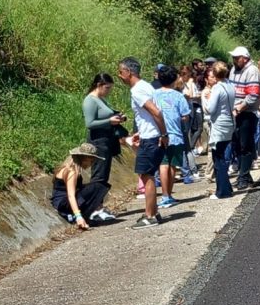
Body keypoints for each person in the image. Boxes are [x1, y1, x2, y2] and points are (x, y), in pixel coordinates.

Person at [117, 56, 169, 228]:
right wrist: (141, 132)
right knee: (148, 175)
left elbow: (156, 112)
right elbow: (149, 115)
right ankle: (153, 211)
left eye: (120, 72)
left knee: (146, 176)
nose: (119, 75)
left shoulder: (138, 90)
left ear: (129, 72)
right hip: (149, 135)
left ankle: (150, 216)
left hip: (152, 138)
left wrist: (163, 134)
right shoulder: (146, 85)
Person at [153, 65, 192, 210]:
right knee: (172, 165)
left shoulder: (154, 94)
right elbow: (185, 116)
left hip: (159, 135)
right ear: (174, 79)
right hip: (175, 135)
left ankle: (163, 196)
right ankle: (168, 195)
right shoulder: (178, 96)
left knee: (162, 164)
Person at [50, 143, 113, 229]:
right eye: (91, 160)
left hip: (64, 201)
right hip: (62, 203)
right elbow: (71, 195)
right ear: (83, 158)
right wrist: (78, 216)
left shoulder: (73, 169)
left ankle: (95, 211)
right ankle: (84, 215)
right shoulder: (72, 171)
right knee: (97, 186)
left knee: (95, 186)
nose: (91, 163)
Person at [82, 73, 127, 188]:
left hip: (107, 140)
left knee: (104, 174)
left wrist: (118, 117)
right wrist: (109, 121)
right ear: (99, 85)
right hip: (98, 141)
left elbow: (107, 114)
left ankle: (98, 203)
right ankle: (96, 204)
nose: (108, 91)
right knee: (99, 174)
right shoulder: (90, 100)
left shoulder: (101, 99)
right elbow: (89, 123)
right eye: (107, 88)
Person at [229, 45, 260, 191]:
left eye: (237, 58)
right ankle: (245, 176)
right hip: (235, 112)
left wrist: (238, 108)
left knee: (245, 145)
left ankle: (243, 176)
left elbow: (253, 95)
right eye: (233, 58)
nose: (234, 60)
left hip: (247, 113)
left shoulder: (252, 71)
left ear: (245, 58)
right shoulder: (233, 70)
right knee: (237, 145)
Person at [205, 61, 236, 199]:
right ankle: (227, 187)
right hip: (230, 122)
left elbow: (210, 109)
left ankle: (222, 191)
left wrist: (207, 99)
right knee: (223, 154)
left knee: (218, 158)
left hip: (219, 124)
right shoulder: (230, 85)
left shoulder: (217, 88)